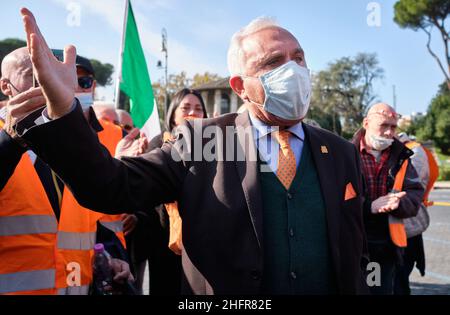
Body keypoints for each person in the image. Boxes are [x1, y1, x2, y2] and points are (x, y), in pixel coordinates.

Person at [9, 10, 369, 294]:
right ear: (240, 87)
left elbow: (355, 248)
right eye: (274, 62)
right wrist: (64, 113)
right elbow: (111, 186)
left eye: (299, 58)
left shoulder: (339, 152)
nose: (293, 70)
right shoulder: (201, 140)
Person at [0, 47, 133, 295]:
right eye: (33, 74)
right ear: (6, 86)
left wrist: (111, 255)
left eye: (50, 72)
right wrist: (10, 140)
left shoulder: (72, 138)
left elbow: (91, 216)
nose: (46, 81)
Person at [351, 103, 424, 295]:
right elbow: (333, 198)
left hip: (387, 245)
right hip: (353, 243)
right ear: (366, 123)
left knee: (379, 290)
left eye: (393, 127)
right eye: (383, 125)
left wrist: (400, 203)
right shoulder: (345, 154)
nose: (389, 132)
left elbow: (415, 194)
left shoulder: (402, 157)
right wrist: (368, 207)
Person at [393, 132, 439, 295]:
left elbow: (411, 187)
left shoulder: (414, 152)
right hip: (398, 228)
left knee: (399, 277)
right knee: (385, 279)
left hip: (407, 227)